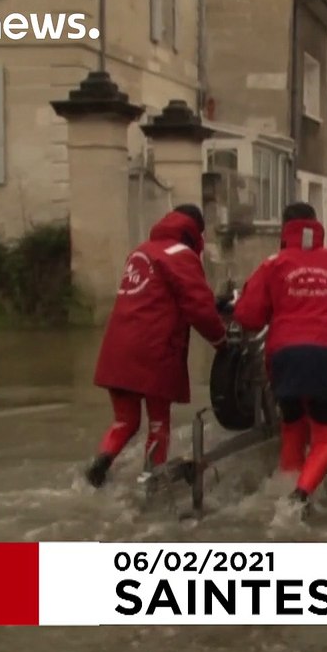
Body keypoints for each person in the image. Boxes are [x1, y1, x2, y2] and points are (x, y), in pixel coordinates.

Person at [84, 205, 228, 488]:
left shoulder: (141, 251)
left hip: (117, 349)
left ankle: (101, 462)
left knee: (124, 420)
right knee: (158, 422)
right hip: (155, 350)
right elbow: (199, 308)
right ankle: (151, 480)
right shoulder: (181, 254)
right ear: (195, 233)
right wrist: (220, 341)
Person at [233, 202, 327, 505]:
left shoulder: (273, 264)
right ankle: (299, 497)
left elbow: (248, 316)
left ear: (284, 229)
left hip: (285, 357)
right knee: (326, 439)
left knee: (292, 428)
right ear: (315, 225)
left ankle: (285, 489)